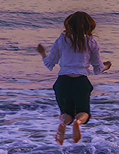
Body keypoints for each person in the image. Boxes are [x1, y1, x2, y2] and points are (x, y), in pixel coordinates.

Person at [37, 11, 111, 144]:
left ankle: (63, 124)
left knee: (66, 113)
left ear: (69, 25)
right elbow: (97, 68)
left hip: (63, 82)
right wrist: (106, 66)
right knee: (84, 113)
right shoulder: (91, 42)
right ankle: (78, 122)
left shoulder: (62, 39)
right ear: (89, 27)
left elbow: (49, 62)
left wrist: (42, 53)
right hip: (80, 82)